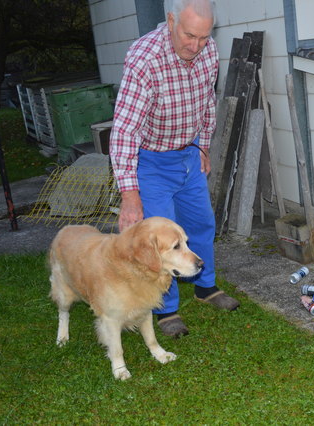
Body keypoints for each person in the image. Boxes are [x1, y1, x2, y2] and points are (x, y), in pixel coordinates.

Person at [109, 0, 239, 338]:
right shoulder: (145, 60)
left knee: (200, 223)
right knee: (161, 243)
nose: (195, 46)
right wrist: (129, 192)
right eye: (189, 35)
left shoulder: (208, 51)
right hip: (151, 162)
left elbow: (207, 100)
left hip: (188, 154)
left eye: (203, 37)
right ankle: (166, 309)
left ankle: (205, 287)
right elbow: (124, 130)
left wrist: (203, 145)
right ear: (170, 21)